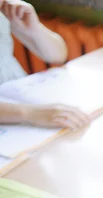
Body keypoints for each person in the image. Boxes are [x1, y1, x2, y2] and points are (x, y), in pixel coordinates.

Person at [0, 0, 89, 129]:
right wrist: (30, 113)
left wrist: (33, 27)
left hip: (15, 95)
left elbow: (57, 55)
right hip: (16, 113)